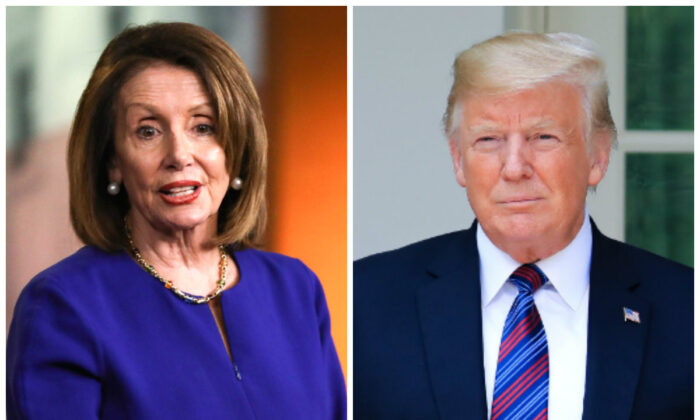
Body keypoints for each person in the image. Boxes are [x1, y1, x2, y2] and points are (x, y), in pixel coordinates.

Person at [7, 22, 346, 420]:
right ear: (113, 162)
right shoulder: (63, 305)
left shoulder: (294, 288)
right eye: (148, 131)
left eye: (203, 127)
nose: (179, 154)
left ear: (235, 150)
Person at [354, 32, 692, 420]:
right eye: (488, 139)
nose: (514, 168)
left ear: (598, 155)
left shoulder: (686, 311)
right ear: (458, 160)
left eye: (542, 136)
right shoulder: (365, 302)